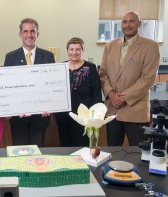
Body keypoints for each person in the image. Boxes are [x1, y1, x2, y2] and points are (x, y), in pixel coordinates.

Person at [99, 11, 160, 146]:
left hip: (136, 110)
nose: (128, 25)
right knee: (113, 152)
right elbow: (103, 74)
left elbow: (148, 79)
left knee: (138, 154)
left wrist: (122, 97)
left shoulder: (150, 46)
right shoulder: (110, 46)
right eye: (124, 22)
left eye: (132, 21)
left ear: (139, 23)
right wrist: (111, 94)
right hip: (113, 111)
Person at [4, 18, 55, 147]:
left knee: (38, 153)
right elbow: (7, 87)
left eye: (32, 31)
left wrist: (50, 105)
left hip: (40, 116)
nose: (29, 35)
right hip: (18, 117)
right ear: (20, 34)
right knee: (20, 153)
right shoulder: (10, 57)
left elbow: (52, 84)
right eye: (25, 31)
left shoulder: (48, 56)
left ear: (37, 34)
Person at [54, 37, 102, 147]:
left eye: (78, 49)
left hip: (83, 117)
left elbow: (96, 93)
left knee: (81, 146)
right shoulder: (61, 67)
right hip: (63, 115)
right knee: (65, 145)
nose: (74, 53)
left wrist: (94, 116)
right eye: (71, 49)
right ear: (67, 51)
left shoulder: (91, 68)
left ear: (82, 50)